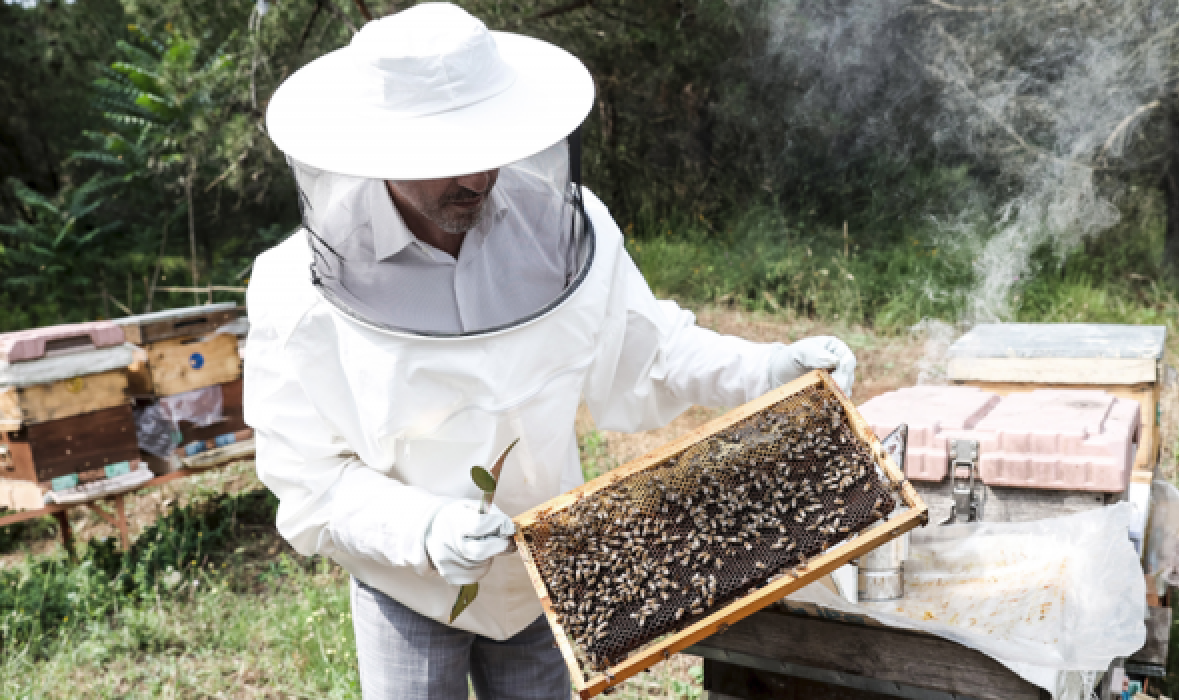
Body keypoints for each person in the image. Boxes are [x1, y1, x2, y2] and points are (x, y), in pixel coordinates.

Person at [244, 4, 856, 699]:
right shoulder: (293, 294)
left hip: (546, 578)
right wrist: (424, 527)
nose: (478, 176)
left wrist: (766, 369)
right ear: (382, 153)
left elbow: (651, 350)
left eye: (488, 142)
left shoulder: (563, 229)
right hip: (407, 589)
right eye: (445, 156)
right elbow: (307, 478)